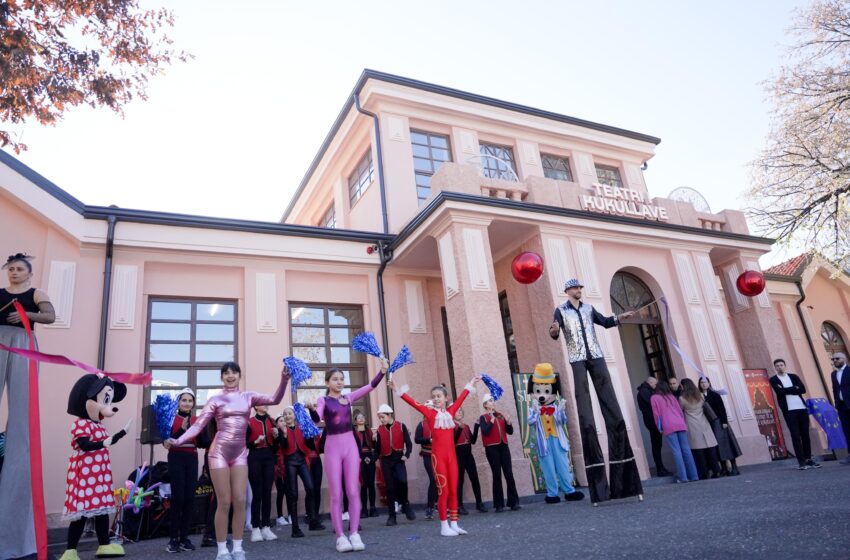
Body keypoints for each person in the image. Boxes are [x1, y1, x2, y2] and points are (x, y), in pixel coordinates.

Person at [165, 362, 290, 560]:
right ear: (222, 377)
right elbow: (198, 426)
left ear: (240, 375)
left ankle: (238, 548)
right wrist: (178, 440)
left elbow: (275, 399)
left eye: (234, 372)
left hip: (240, 453)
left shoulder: (248, 397)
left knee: (240, 500)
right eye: (226, 373)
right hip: (219, 453)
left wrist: (284, 379)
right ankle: (222, 550)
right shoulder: (216, 399)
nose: (230, 376)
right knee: (224, 501)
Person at [549, 278, 642, 504]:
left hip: (596, 356)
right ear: (567, 291)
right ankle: (599, 488)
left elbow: (605, 322)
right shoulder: (561, 310)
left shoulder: (589, 309)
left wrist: (621, 318)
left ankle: (625, 482)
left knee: (610, 404)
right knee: (585, 410)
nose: (579, 290)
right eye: (575, 288)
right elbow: (554, 332)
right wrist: (553, 330)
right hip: (577, 359)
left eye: (580, 288)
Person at [0, 253, 55, 560]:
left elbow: (50, 316)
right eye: (11, 269)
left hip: (23, 342)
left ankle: (17, 534)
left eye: (20, 269)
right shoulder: (0, 293)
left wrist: (26, 316)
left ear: (29, 274)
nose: (15, 272)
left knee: (21, 421)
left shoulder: (36, 294)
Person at [390, 376, 480, 537]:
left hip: (452, 458)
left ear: (446, 398)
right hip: (438, 458)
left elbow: (462, 398)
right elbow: (412, 402)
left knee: (453, 490)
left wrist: (471, 383)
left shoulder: (451, 412)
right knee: (443, 491)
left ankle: (454, 523)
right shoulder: (429, 413)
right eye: (434, 397)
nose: (436, 399)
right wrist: (397, 390)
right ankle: (444, 526)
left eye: (439, 396)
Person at [315, 358, 387, 553]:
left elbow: (370, 387)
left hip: (350, 446)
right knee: (336, 494)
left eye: (341, 378)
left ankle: (354, 532)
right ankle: (340, 536)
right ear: (327, 382)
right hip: (332, 447)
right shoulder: (323, 400)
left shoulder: (348, 398)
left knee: (353, 490)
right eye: (335, 379)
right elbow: (317, 418)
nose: (339, 382)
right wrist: (308, 409)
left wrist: (382, 371)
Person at [278, 405, 322, 538]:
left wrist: (311, 433)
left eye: (289, 413)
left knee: (311, 487)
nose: (287, 416)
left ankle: (313, 520)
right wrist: (284, 434)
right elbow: (284, 447)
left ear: (294, 415)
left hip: (302, 460)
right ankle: (295, 528)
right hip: (290, 461)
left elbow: (309, 444)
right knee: (293, 494)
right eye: (285, 414)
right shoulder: (282, 430)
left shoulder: (301, 427)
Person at [166, 389, 201, 553]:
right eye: (184, 400)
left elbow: (202, 442)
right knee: (178, 498)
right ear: (178, 402)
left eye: (190, 400)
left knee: (189, 499)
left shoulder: (197, 419)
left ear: (193, 403)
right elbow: (166, 444)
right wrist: (182, 429)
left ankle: (184, 538)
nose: (187, 403)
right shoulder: (170, 418)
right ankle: (173, 539)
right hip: (176, 458)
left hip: (192, 458)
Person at [770, 359, 821, 470]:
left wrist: (787, 389)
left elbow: (802, 390)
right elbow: (779, 392)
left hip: (801, 408)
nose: (780, 367)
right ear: (775, 368)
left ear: (785, 366)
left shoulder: (793, 376)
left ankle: (808, 459)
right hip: (789, 410)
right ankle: (801, 462)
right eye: (777, 366)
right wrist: (794, 388)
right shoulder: (774, 379)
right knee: (795, 435)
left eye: (781, 365)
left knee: (805, 435)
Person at [372, 403, 415, 525]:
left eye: (383, 417)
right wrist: (372, 459)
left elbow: (409, 444)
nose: (381, 419)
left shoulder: (401, 426)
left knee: (403, 481)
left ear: (389, 415)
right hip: (386, 460)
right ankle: (392, 516)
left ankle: (405, 504)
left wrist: (406, 455)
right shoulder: (380, 430)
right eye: (380, 417)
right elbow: (377, 449)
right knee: (390, 488)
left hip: (399, 459)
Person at [650, 380, 698, 483]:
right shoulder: (671, 396)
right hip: (680, 423)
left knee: (676, 451)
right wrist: (683, 422)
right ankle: (694, 475)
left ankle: (683, 477)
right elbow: (680, 411)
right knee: (686, 450)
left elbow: (656, 415)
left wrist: (660, 428)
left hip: (668, 426)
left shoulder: (654, 398)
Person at [479, 394, 520, 512]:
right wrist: (491, 421)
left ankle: (513, 502)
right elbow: (485, 432)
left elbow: (510, 432)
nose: (493, 402)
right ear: (485, 404)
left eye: (493, 400)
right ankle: (499, 504)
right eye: (490, 401)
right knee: (496, 475)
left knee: (509, 473)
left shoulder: (500, 415)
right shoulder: (483, 418)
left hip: (504, 447)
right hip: (492, 449)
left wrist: (508, 422)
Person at [678, 378, 721, 479]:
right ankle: (716, 470)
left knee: (698, 451)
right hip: (704, 422)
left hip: (692, 424)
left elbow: (680, 410)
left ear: (683, 386)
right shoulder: (700, 395)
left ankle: (704, 472)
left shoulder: (682, 398)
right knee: (710, 448)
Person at [247, 404, 278, 542]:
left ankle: (266, 527)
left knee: (267, 492)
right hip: (254, 457)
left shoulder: (272, 421)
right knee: (257, 493)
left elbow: (279, 444)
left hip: (269, 457)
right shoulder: (249, 422)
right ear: (255, 406)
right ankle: (255, 528)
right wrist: (255, 441)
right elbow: (243, 443)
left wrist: (277, 436)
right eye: (262, 403)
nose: (266, 405)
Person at [699, 377, 741, 476]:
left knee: (727, 445)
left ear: (709, 383)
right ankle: (724, 468)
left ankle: (734, 467)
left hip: (719, 422)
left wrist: (724, 421)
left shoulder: (715, 394)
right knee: (716, 446)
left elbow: (722, 408)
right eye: (701, 383)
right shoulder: (699, 396)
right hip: (709, 424)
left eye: (705, 382)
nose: (703, 384)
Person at [636, 376, 671, 477]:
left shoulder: (645, 391)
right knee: (656, 445)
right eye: (655, 384)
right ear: (650, 383)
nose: (656, 386)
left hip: (651, 421)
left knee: (657, 445)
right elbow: (653, 404)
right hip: (652, 422)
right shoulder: (645, 392)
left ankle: (661, 468)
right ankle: (660, 469)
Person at [453, 408, 486, 514]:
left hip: (468, 454)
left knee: (475, 478)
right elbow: (453, 440)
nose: (459, 412)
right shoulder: (451, 426)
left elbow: (473, 440)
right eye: (457, 411)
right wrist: (459, 429)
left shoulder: (466, 426)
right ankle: (459, 506)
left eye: (461, 411)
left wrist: (476, 427)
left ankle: (479, 503)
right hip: (459, 454)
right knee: (460, 480)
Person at [353, 411, 378, 517]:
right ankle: (364, 509)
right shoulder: (354, 433)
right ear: (355, 421)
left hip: (370, 457)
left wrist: (375, 439)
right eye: (359, 418)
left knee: (371, 484)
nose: (361, 419)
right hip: (359, 458)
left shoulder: (370, 432)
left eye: (362, 417)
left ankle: (372, 508)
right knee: (364, 484)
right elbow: (353, 447)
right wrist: (359, 458)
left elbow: (375, 446)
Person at [415, 416, 438, 519]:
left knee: (440, 480)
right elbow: (417, 439)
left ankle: (441, 505)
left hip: (439, 455)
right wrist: (429, 439)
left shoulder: (439, 421)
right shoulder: (421, 424)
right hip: (427, 455)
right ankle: (430, 507)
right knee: (433, 479)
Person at [830, 352, 850, 465]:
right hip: (842, 406)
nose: (835, 361)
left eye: (837, 358)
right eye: (833, 359)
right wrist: (836, 403)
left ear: (844, 359)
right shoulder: (833, 374)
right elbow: (835, 389)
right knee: (847, 430)